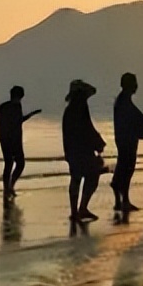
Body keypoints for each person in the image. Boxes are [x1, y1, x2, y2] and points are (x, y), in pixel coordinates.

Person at [62, 79, 106, 223]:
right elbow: (87, 129)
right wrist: (98, 142)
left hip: (73, 151)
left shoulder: (71, 110)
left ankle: (76, 211)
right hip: (81, 151)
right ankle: (81, 209)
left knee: (77, 178)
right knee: (92, 177)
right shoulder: (79, 108)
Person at [110, 72, 143, 215]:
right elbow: (130, 121)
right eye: (134, 83)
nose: (136, 86)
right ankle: (124, 200)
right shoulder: (124, 103)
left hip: (124, 139)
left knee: (124, 166)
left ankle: (120, 200)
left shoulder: (122, 101)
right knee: (127, 168)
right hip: (126, 140)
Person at [0, 85, 40, 200]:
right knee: (20, 163)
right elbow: (17, 122)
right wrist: (31, 115)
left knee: (8, 164)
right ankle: (10, 186)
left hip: (3, 138)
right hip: (14, 139)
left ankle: (7, 188)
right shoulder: (16, 106)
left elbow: (7, 122)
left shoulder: (2, 107)